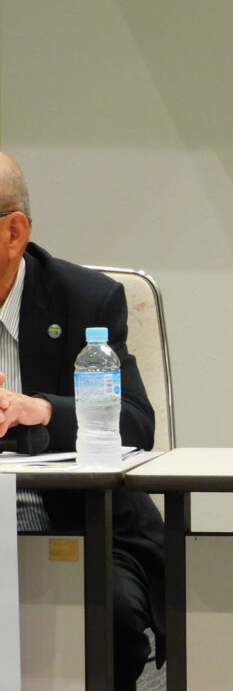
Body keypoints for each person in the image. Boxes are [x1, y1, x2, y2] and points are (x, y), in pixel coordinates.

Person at [0, 152, 164, 689]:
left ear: (13, 233)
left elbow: (136, 424)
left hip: (74, 521)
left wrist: (41, 409)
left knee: (110, 615)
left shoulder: (85, 300)